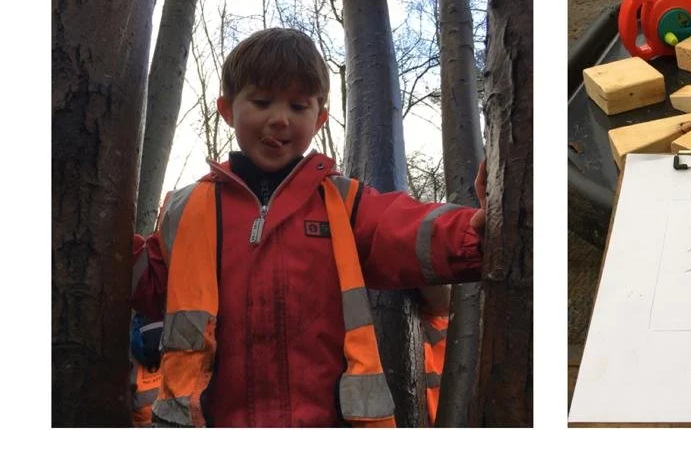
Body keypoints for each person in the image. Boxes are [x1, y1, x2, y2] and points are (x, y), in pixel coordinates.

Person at [131, 27, 484, 427]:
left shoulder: (341, 203)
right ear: (227, 109)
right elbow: (147, 283)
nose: (280, 119)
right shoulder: (186, 207)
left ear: (319, 119)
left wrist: (478, 231)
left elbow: (408, 227)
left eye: (298, 107)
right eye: (262, 102)